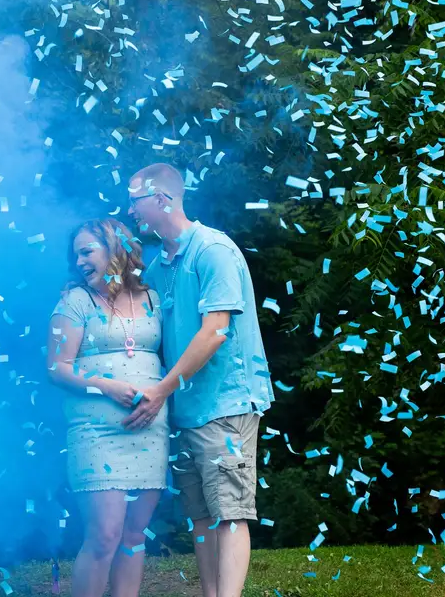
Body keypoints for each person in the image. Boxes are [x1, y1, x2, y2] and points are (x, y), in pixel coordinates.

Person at [123, 163, 274, 597]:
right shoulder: (160, 265)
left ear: (162, 199)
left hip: (226, 405)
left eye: (135, 199)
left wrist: (160, 390)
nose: (131, 209)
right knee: (202, 518)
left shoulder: (213, 251)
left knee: (230, 512)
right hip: (186, 412)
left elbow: (216, 330)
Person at [46, 218, 169, 597]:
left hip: (150, 428)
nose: (80, 261)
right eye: (76, 255)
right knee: (104, 535)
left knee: (133, 536)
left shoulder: (152, 298)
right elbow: (57, 368)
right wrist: (105, 386)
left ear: (115, 247)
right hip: (96, 433)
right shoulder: (74, 301)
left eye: (87, 251)